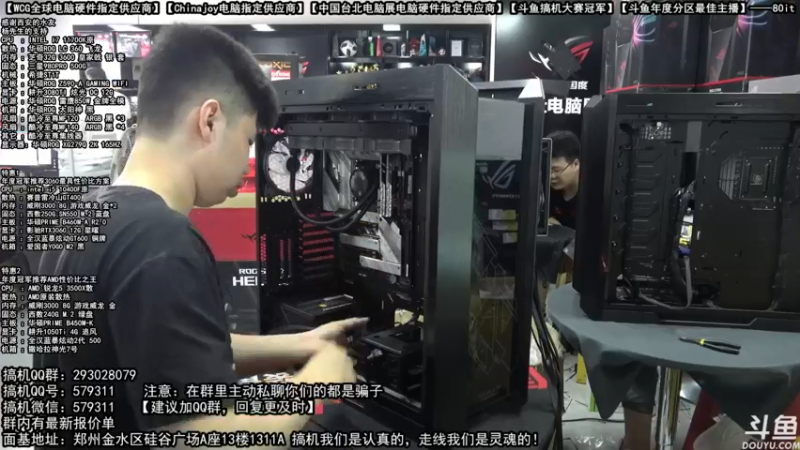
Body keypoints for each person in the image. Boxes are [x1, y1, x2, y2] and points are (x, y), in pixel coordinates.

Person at [38, 24, 364, 447]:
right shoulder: (161, 243)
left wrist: (301, 344)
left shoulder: (87, 214)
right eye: (247, 140)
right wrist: (317, 384)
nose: (247, 162)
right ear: (210, 120)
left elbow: (165, 347)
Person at [548, 130, 581, 229]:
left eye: (556, 170)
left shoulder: (592, 198)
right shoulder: (546, 192)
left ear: (576, 164)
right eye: (547, 170)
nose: (551, 176)